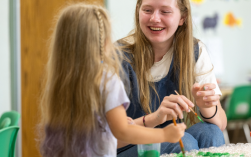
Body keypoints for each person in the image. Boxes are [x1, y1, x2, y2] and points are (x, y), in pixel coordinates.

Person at [38, 3, 186, 157]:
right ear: (103, 42)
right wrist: (164, 135)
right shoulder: (106, 79)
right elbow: (122, 131)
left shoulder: (59, 82)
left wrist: (112, 122)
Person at [116, 0, 227, 156]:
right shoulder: (118, 57)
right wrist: (155, 118)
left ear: (182, 17)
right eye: (147, 10)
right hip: (126, 147)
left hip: (173, 138)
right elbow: (102, 138)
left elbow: (221, 124)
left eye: (165, 11)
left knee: (211, 133)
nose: (155, 18)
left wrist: (206, 106)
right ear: (138, 11)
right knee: (184, 142)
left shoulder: (195, 51)